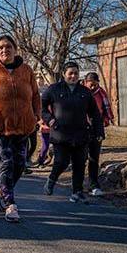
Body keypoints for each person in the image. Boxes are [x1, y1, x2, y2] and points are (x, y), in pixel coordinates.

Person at [0, 35, 40, 222]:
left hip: (24, 126)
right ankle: (10, 204)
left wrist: (36, 116)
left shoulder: (26, 70)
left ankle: (4, 188)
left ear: (15, 49)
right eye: (1, 47)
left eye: (8, 47)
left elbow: (35, 95)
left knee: (20, 163)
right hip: (0, 127)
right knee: (7, 162)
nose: (5, 50)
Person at [42, 62, 103, 203]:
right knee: (62, 162)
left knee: (80, 163)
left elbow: (94, 113)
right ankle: (52, 179)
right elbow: (42, 106)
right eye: (70, 73)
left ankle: (77, 192)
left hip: (80, 133)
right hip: (60, 133)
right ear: (64, 74)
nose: (73, 76)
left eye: (76, 73)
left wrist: (98, 130)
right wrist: (50, 120)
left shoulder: (84, 92)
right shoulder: (54, 89)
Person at [83, 72, 114, 196]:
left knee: (94, 158)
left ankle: (94, 185)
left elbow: (105, 110)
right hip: (81, 128)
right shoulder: (80, 93)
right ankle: (77, 185)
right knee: (80, 158)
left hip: (97, 128)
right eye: (91, 84)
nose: (93, 87)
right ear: (86, 82)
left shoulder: (101, 94)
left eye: (95, 85)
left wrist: (106, 119)